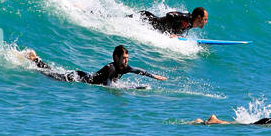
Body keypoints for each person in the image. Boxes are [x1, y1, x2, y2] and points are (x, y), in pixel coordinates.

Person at [22, 44, 166, 86]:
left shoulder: (124, 67)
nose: (126, 61)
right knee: (50, 74)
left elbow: (138, 70)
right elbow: (110, 85)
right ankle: (34, 60)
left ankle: (35, 59)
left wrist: (154, 76)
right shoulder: (111, 68)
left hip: (82, 75)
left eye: (127, 58)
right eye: (124, 58)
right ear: (116, 57)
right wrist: (131, 89)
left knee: (53, 72)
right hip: (77, 78)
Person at [138, 6, 207, 36]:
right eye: (205, 19)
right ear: (199, 18)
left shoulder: (191, 24)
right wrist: (169, 33)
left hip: (148, 23)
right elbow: (170, 15)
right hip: (145, 18)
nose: (206, 22)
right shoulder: (186, 18)